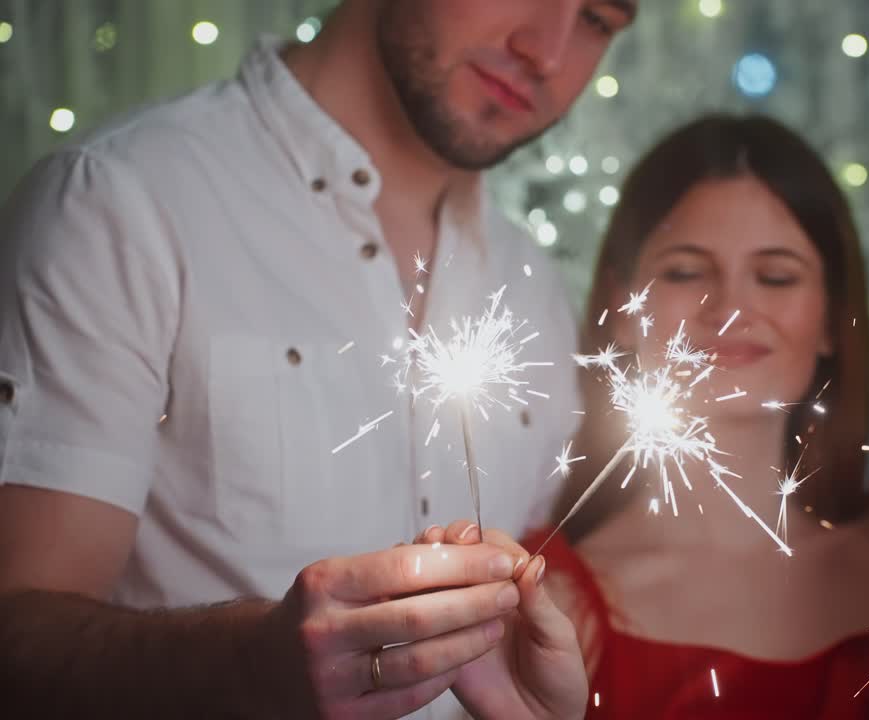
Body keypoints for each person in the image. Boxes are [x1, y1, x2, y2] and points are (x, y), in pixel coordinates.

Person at [0, 1, 639, 717]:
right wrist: (250, 665)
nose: (545, 52)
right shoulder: (116, 204)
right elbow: (14, 639)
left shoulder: (535, 291)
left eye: (597, 19)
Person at [517, 113, 869, 719]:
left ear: (832, 320)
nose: (731, 307)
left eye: (776, 277)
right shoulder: (546, 605)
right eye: (685, 271)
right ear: (623, 308)